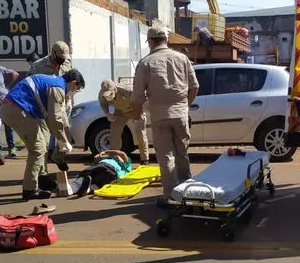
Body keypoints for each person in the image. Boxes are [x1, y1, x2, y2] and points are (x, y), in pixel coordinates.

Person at [131, 24, 199, 208]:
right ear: (167, 40)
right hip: (181, 114)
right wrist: (184, 106)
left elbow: (137, 97)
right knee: (182, 154)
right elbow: (194, 87)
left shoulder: (145, 63)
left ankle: (171, 197)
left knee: (166, 157)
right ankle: (188, 193)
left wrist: (137, 115)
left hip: (160, 116)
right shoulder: (182, 58)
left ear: (151, 41)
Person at [0, 69, 85, 200]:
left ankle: (42, 178)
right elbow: (55, 118)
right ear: (73, 82)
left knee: (43, 141)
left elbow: (55, 119)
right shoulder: (58, 88)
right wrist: (63, 140)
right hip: (18, 109)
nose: (74, 92)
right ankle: (30, 190)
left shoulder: (54, 81)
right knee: (37, 149)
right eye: (76, 88)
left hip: (21, 109)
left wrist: (61, 138)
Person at [29, 41, 74, 163]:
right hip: (42, 105)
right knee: (43, 137)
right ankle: (41, 167)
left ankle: (58, 157)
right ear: (53, 53)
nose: (62, 60)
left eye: (64, 57)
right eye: (60, 57)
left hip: (59, 102)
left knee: (65, 129)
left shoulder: (67, 64)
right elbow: (31, 86)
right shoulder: (37, 66)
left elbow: (70, 82)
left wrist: (69, 98)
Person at [98, 79, 150, 165]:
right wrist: (107, 114)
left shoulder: (127, 90)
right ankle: (113, 159)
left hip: (135, 108)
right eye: (106, 95)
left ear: (115, 89)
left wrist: (140, 111)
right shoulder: (102, 95)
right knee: (114, 132)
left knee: (140, 132)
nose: (108, 97)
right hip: (120, 111)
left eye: (110, 94)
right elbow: (103, 103)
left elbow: (144, 99)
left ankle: (145, 160)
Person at [64, 150, 132, 198]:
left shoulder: (126, 164)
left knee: (88, 174)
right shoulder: (113, 162)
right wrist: (97, 158)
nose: (117, 156)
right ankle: (87, 190)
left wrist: (105, 151)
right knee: (96, 183)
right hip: (109, 172)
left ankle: (71, 188)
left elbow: (121, 153)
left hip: (108, 168)